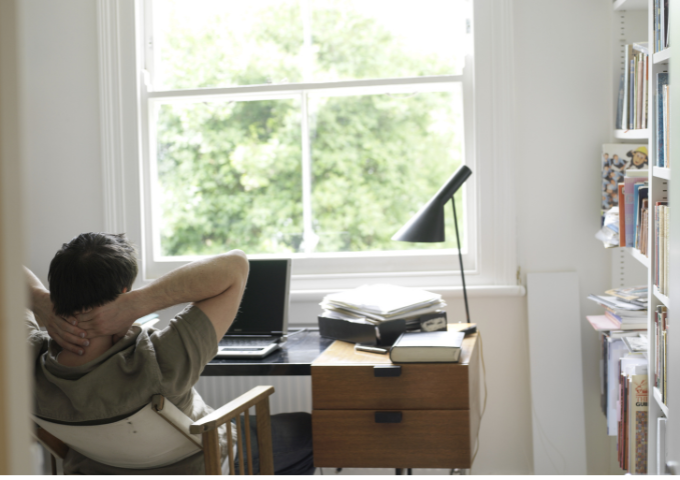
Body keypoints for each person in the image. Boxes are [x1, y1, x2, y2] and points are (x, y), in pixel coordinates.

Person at [25, 232, 314, 475]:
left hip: (96, 468)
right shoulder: (159, 360)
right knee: (312, 431)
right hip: (203, 464)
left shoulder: (22, 364)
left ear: (58, 294)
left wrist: (39, 300)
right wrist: (135, 305)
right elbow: (235, 265)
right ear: (124, 291)